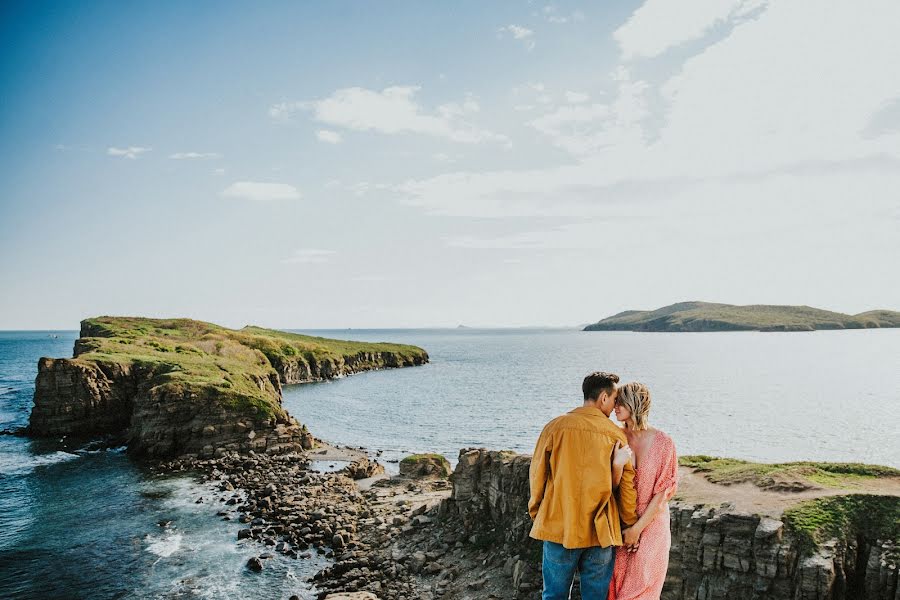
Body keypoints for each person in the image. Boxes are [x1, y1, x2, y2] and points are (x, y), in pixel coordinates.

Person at [529, 371, 638, 600]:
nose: (615, 405)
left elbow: (537, 475)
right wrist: (629, 523)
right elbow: (627, 488)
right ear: (604, 399)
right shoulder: (615, 435)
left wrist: (538, 512)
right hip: (601, 531)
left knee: (554, 596)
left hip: (559, 525)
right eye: (615, 399)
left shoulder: (554, 427)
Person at [609, 382, 678, 600]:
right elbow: (611, 486)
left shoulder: (664, 443)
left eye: (620, 401)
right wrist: (617, 466)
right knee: (615, 588)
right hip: (621, 523)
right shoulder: (615, 437)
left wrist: (637, 529)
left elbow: (662, 494)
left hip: (652, 525)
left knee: (641, 591)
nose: (615, 406)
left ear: (635, 402)